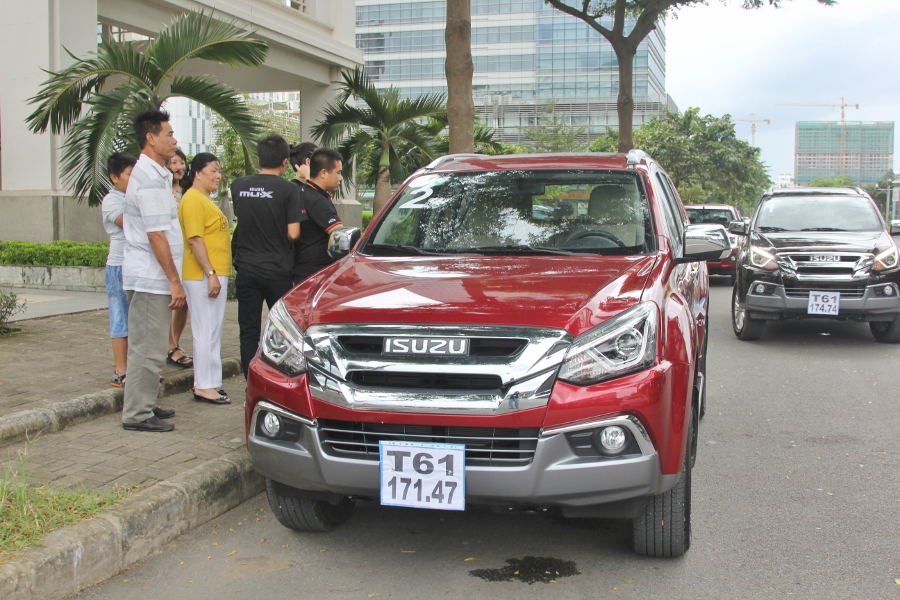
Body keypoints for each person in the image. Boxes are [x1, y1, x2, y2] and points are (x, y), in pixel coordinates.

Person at [121, 109, 184, 432]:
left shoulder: (156, 173)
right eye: (169, 134)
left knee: (152, 346)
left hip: (153, 276)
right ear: (150, 137)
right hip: (149, 277)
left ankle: (145, 403)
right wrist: (175, 280)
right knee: (147, 348)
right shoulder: (146, 178)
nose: (174, 139)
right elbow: (156, 234)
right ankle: (136, 414)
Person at [231, 134, 305, 377]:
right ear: (285, 161)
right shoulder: (288, 189)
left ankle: (250, 379)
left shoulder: (239, 185)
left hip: (246, 269)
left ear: (258, 159)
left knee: (249, 330)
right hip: (277, 270)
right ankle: (280, 378)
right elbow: (294, 233)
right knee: (286, 330)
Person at [178, 153, 232, 405]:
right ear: (197, 172)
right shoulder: (191, 200)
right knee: (205, 331)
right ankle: (203, 385)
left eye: (218, 171)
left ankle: (210, 383)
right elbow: (194, 239)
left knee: (212, 330)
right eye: (213, 170)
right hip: (202, 275)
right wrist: (210, 274)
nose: (217, 175)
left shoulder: (203, 199)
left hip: (213, 274)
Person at [101, 152, 137, 388]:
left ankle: (135, 370)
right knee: (120, 318)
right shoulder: (112, 200)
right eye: (129, 174)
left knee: (135, 320)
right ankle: (121, 371)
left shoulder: (132, 197)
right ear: (114, 177)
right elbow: (131, 224)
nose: (133, 179)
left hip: (135, 265)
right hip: (118, 266)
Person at [293, 148, 345, 285]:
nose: (341, 178)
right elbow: (340, 237)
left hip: (301, 270)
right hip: (316, 275)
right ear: (323, 173)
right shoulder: (317, 201)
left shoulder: (301, 192)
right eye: (338, 173)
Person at [165, 148, 193, 370]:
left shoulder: (190, 191)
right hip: (168, 253)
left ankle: (174, 342)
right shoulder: (161, 191)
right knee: (168, 301)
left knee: (183, 303)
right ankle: (168, 346)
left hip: (187, 253)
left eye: (181, 162)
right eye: (173, 162)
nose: (178, 166)